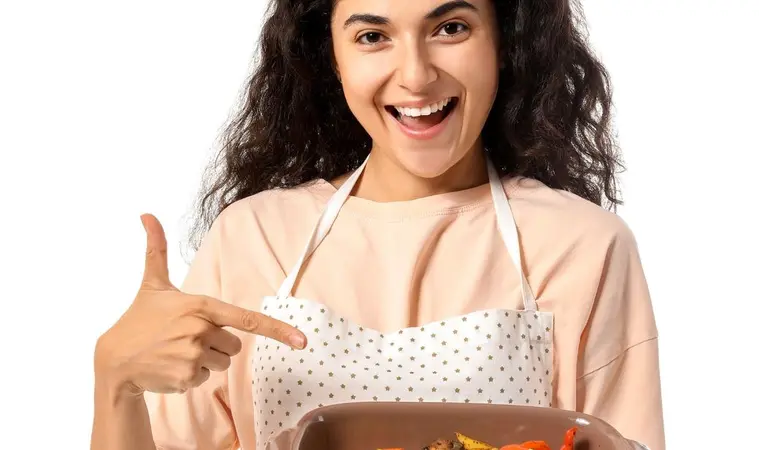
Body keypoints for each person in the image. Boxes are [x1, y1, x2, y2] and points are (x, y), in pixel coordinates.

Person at [91, 0, 665, 449]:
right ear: (331, 58)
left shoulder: (582, 246)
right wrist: (117, 382)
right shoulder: (255, 237)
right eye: (372, 36)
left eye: (451, 28)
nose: (415, 76)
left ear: (505, 43)